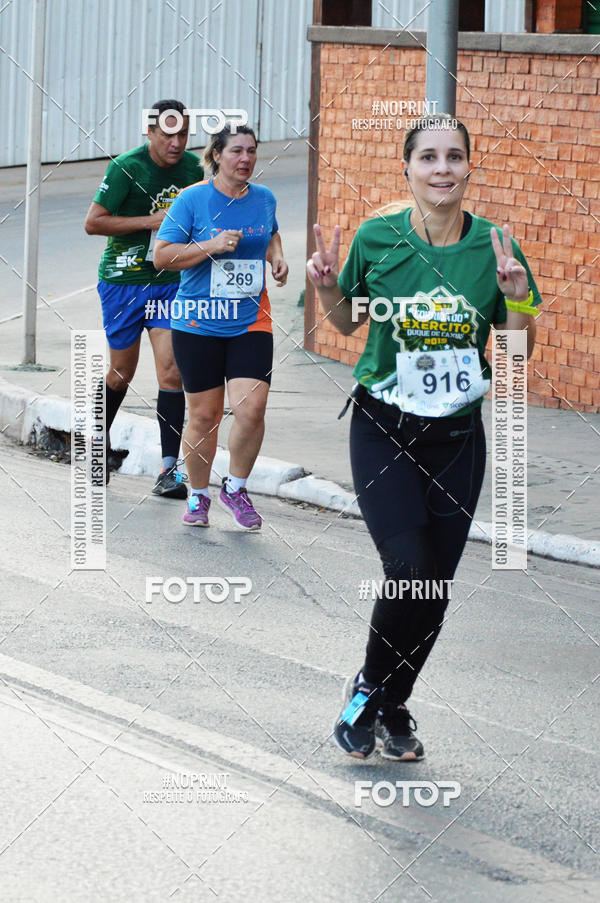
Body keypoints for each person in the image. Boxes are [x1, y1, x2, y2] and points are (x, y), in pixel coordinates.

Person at [306, 113, 541, 761]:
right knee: (409, 570)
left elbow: (517, 352)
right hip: (384, 426)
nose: (442, 168)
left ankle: (394, 702)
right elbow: (347, 320)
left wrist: (515, 299)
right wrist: (324, 286)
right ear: (407, 169)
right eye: (429, 157)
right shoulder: (378, 237)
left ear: (470, 168)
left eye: (454, 157)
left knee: (434, 585)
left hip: (458, 435)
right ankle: (364, 693)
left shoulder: (496, 248)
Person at [153, 123, 288, 530]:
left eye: (251, 151)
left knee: (252, 408)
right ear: (217, 156)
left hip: (250, 320)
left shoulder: (264, 198)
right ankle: (197, 496)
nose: (245, 159)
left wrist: (276, 257)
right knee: (205, 415)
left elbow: (271, 233)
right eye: (236, 152)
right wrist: (210, 246)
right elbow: (161, 256)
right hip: (198, 323)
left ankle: (236, 487)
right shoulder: (192, 200)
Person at [84, 99, 204, 495]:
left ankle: (169, 471)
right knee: (121, 373)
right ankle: (96, 447)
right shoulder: (126, 168)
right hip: (123, 282)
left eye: (183, 134)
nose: (176, 142)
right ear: (150, 132)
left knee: (171, 371)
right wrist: (152, 222)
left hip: (169, 282)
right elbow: (94, 222)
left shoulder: (194, 168)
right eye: (167, 134)